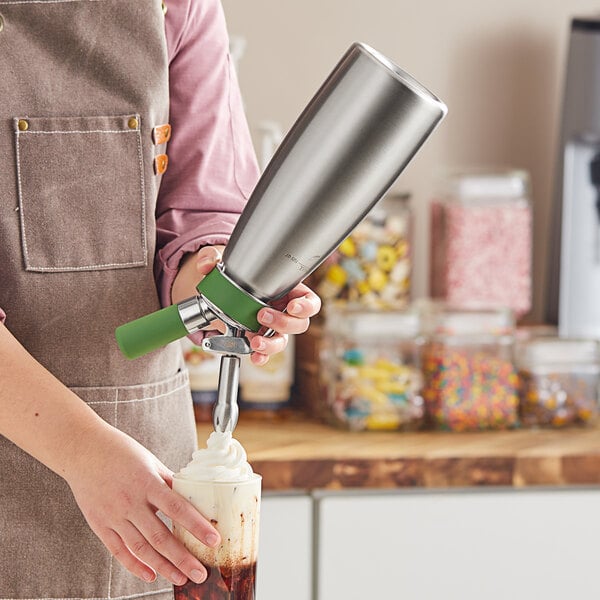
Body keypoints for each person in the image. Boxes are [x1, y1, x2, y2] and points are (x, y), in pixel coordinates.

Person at [0, 0, 320, 598]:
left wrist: (219, 282)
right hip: (101, 465)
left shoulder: (178, 5)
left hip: (145, 487)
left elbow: (202, 208)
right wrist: (82, 450)